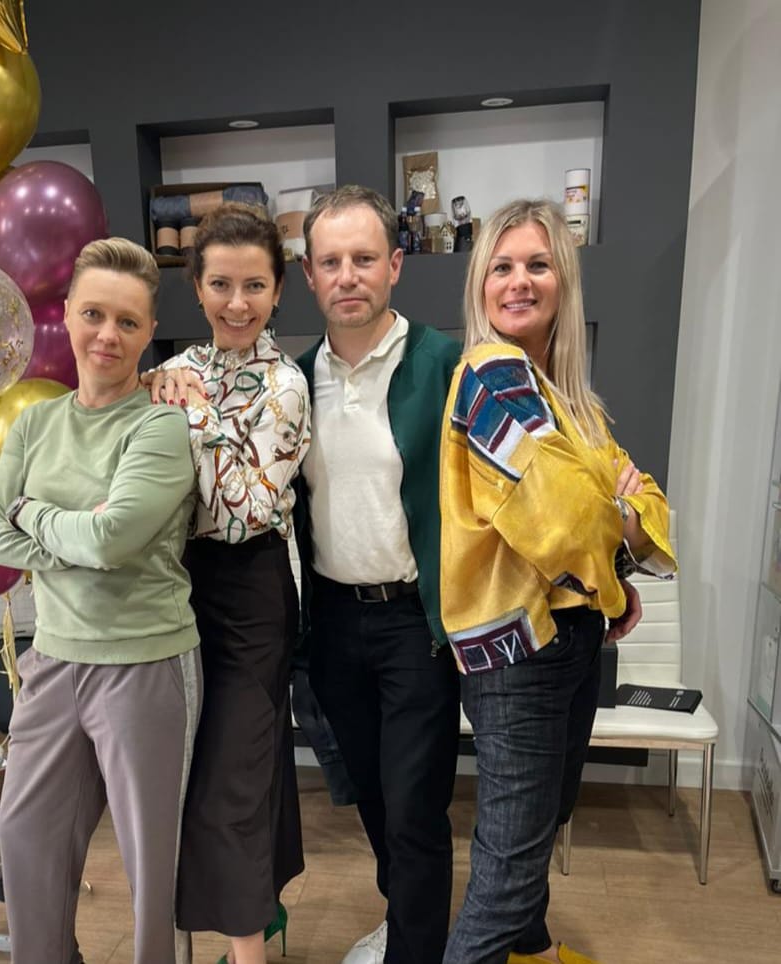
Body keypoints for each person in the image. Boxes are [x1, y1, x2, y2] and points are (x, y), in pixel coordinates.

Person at [439, 199, 676, 964]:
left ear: (563, 281)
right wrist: (617, 542)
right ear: (480, 285)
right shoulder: (493, 375)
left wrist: (618, 522)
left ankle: (532, 952)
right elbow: (564, 513)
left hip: (568, 637)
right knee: (508, 866)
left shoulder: (570, 400)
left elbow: (647, 501)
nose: (519, 281)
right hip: (522, 647)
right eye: (502, 267)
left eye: (538, 265)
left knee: (537, 828)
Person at [0, 238, 200, 964]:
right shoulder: (36, 423)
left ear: (149, 331)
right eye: (94, 314)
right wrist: (71, 541)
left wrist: (31, 514)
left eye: (128, 322)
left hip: (146, 664)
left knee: (149, 865)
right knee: (24, 836)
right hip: (52, 660)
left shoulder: (159, 426)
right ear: (67, 313)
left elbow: (112, 539)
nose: (108, 335)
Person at [294, 184, 462, 964]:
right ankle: (410, 923)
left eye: (363, 259)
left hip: (413, 622)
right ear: (309, 275)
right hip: (332, 621)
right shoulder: (294, 381)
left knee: (415, 807)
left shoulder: (445, 364)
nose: (348, 276)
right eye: (331, 262)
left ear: (395, 265)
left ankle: (416, 952)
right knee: (368, 792)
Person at [149, 203, 310, 964]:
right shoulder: (171, 370)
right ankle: (255, 925)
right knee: (187, 776)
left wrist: (197, 413)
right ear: (197, 287)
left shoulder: (287, 385)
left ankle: (248, 957)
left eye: (254, 286)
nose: (237, 303)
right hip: (172, 588)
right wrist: (161, 386)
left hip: (251, 594)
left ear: (278, 290)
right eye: (220, 284)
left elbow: (245, 512)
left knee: (234, 779)